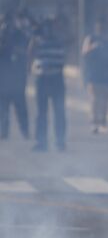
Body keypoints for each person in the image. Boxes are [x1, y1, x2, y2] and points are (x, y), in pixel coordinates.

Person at [28, 17, 67, 152]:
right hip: (42, 79)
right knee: (41, 113)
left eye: (49, 27)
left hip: (56, 77)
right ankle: (41, 142)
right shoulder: (37, 41)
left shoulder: (59, 39)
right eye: (46, 28)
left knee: (59, 111)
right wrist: (35, 35)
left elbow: (68, 39)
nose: (48, 30)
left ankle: (60, 141)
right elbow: (30, 53)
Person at [81, 18, 108, 134]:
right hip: (93, 74)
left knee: (105, 100)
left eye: (103, 28)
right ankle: (94, 123)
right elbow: (84, 53)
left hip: (106, 75)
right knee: (95, 99)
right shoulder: (91, 39)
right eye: (99, 27)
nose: (101, 30)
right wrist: (93, 47)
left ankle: (103, 123)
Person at [0, 12, 30, 140]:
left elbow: (26, 50)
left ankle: (25, 131)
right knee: (2, 109)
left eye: (9, 21)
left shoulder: (20, 35)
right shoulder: (1, 36)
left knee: (21, 108)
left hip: (17, 79)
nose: (7, 25)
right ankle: (3, 132)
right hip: (3, 79)